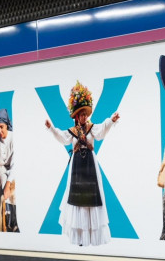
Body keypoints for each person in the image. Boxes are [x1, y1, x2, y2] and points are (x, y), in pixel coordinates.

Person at [44, 81, 119, 246]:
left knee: (92, 199)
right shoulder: (72, 132)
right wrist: (51, 128)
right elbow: (62, 137)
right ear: (76, 116)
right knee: (77, 200)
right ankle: (79, 237)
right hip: (77, 168)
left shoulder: (92, 128)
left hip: (90, 168)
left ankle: (92, 236)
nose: (85, 117)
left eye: (86, 114)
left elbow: (101, 131)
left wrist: (111, 121)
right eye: (82, 114)